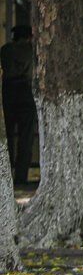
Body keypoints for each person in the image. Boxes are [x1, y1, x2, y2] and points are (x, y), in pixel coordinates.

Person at [0, 24, 35, 182]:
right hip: (26, 93)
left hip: (8, 92)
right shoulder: (32, 51)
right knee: (25, 137)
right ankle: (21, 177)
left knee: (7, 136)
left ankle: (6, 176)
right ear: (29, 36)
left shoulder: (5, 50)